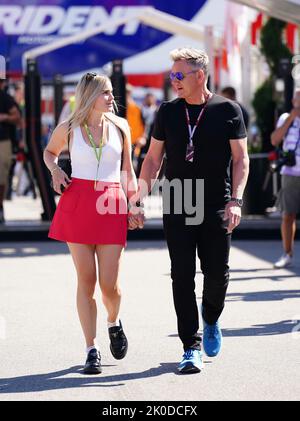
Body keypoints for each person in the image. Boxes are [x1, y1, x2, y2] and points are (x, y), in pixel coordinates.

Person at [130, 48, 249, 374]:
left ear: (200, 75)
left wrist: (235, 199)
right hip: (179, 200)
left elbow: (241, 159)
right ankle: (190, 346)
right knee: (181, 275)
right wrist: (139, 197)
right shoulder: (168, 112)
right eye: (172, 76)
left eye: (179, 75)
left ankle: (211, 316)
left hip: (216, 202)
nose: (174, 81)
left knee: (216, 274)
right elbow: (153, 159)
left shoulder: (228, 110)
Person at [43, 72, 138, 374]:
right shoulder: (68, 127)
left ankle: (114, 321)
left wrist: (134, 203)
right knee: (86, 279)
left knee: (110, 285)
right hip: (78, 202)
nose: (112, 98)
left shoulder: (121, 126)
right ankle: (91, 348)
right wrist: (56, 171)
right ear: (89, 96)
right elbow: (48, 153)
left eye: (111, 92)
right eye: (106, 93)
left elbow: (128, 171)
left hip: (111, 202)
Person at [271, 89, 300, 269]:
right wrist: (291, 118)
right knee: (288, 215)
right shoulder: (285, 118)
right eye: (298, 96)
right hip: (290, 173)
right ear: (292, 99)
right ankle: (287, 253)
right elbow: (274, 140)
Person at [0, 78, 21, 222]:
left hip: (2, 142)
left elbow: (17, 117)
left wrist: (4, 117)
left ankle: (0, 207)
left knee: (1, 177)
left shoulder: (4, 98)